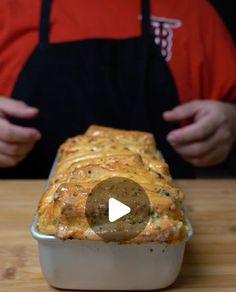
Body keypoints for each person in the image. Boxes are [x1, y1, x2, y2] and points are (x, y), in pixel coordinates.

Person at [0, 0, 235, 179]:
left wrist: (231, 121)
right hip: (21, 220)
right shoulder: (8, 9)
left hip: (160, 216)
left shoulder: (192, 10)